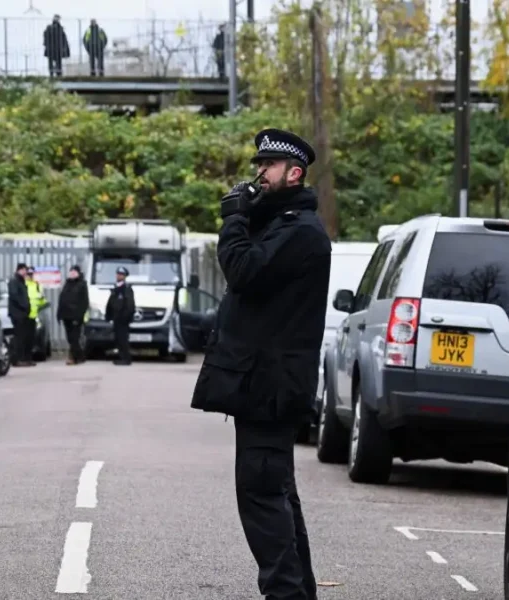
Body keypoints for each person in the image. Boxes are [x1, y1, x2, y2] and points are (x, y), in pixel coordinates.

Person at [190, 128, 331, 600]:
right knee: (277, 494)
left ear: (294, 173)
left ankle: (286, 594)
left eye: (269, 166)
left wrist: (233, 219)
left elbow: (244, 270)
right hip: (265, 387)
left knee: (262, 496)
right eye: (259, 164)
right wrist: (247, 217)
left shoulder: (300, 232)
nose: (259, 173)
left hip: (271, 389)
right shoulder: (282, 225)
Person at [58, 265, 90, 365]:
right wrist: (59, 314)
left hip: (76, 316)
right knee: (69, 338)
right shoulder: (67, 283)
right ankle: (81, 356)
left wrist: (79, 316)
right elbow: (62, 299)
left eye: (74, 271)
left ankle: (73, 358)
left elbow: (84, 302)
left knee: (74, 338)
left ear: (78, 273)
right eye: (71, 271)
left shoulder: (82, 284)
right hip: (66, 315)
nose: (72, 273)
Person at [105, 266, 135, 366]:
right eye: (118, 274)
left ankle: (126, 359)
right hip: (116, 318)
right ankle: (121, 357)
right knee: (118, 339)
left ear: (125, 276)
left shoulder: (126, 289)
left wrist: (125, 317)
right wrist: (108, 316)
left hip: (122, 319)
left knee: (123, 339)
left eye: (121, 274)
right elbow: (111, 303)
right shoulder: (116, 287)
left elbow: (129, 305)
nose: (119, 276)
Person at [8, 263, 34, 367]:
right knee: (19, 337)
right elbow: (15, 296)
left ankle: (24, 358)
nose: (25, 272)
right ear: (20, 270)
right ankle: (17, 359)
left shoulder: (21, 281)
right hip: (17, 313)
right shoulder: (14, 281)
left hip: (23, 313)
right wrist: (24, 306)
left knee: (25, 337)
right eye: (24, 270)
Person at [25, 266, 47, 362]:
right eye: (28, 274)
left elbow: (42, 301)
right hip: (24, 315)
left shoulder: (37, 285)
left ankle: (29, 357)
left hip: (34, 316)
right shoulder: (23, 284)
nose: (30, 276)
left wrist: (43, 301)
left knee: (32, 338)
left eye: (31, 274)